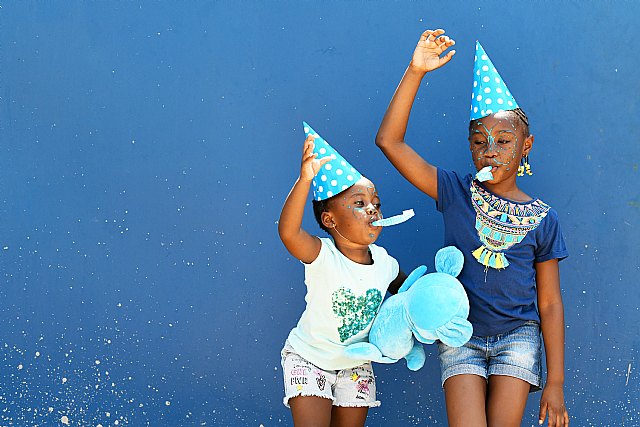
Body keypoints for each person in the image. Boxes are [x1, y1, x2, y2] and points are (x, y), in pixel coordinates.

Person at [375, 29, 569, 427]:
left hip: (518, 338)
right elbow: (389, 142)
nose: (491, 150)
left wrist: (556, 382)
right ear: (469, 146)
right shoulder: (455, 191)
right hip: (460, 337)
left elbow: (549, 303)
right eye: (480, 141)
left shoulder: (543, 218)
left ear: (526, 145)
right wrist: (415, 71)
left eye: (503, 140)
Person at [278, 122, 406, 427]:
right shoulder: (322, 255)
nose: (373, 210)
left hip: (356, 364)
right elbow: (288, 232)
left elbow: (410, 296)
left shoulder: (385, 263)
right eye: (359, 204)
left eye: (376, 203)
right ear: (329, 219)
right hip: (309, 358)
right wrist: (304, 180)